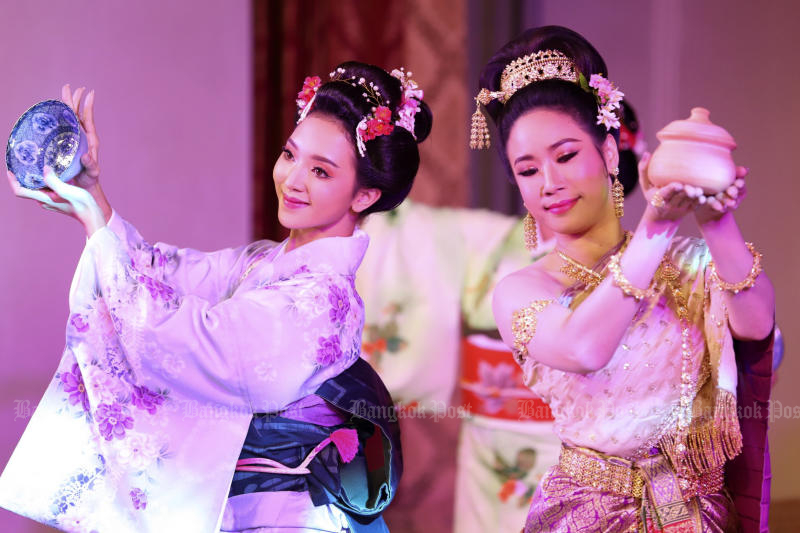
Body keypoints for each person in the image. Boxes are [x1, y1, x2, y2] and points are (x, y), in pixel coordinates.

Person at [1, 61, 432, 533]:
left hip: (290, 519)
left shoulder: (323, 299)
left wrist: (96, 230)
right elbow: (163, 272)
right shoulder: (261, 263)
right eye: (290, 155)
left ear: (364, 196)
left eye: (321, 172)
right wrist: (92, 195)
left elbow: (206, 343)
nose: (292, 180)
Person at [472, 26, 775, 531]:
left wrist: (717, 221)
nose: (550, 183)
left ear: (610, 154)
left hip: (696, 512)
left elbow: (756, 323)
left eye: (566, 156)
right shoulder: (522, 290)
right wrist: (655, 229)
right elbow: (584, 348)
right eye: (528, 170)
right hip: (588, 514)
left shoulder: (686, 260)